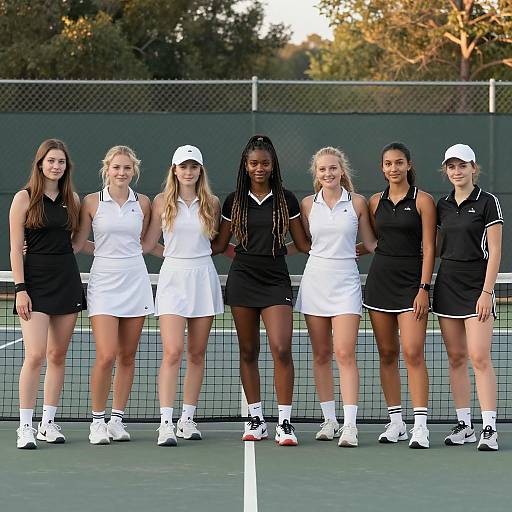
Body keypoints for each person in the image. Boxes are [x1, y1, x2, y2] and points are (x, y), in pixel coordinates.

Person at [212, 135, 310, 446]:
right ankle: (257, 419)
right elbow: (219, 244)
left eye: (264, 163)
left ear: (273, 166)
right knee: (248, 350)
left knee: (281, 348)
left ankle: (284, 422)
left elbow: (305, 243)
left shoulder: (287, 200)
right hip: (242, 278)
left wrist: (355, 247)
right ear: (245, 165)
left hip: (275, 277)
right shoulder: (233, 201)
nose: (259, 168)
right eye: (254, 163)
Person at [294, 147, 376, 447]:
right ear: (316, 174)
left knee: (344, 352)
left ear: (342, 170)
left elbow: (369, 242)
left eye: (333, 168)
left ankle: (350, 425)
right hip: (315, 281)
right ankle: (329, 420)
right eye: (322, 169)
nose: (328, 173)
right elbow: (304, 243)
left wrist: (410, 250)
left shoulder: (357, 203)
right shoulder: (307, 204)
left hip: (346, 283)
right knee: (321, 355)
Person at [142, 145, 223, 447]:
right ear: (174, 170)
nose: (188, 172)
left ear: (200, 170)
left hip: (204, 278)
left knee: (197, 353)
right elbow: (148, 243)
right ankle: (166, 423)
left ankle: (187, 419)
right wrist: (174, 258)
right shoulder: (161, 202)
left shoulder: (211, 203)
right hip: (173, 279)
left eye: (193, 166)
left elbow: (216, 243)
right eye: (183, 166)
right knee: (173, 351)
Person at [73, 145, 153, 445]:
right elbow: (79, 243)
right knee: (106, 355)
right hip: (104, 282)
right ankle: (97, 422)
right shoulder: (91, 202)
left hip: (136, 280)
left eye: (127, 168)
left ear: (134, 171)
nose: (121, 173)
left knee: (128, 356)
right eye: (116, 167)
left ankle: (117, 420)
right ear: (107, 168)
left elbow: (144, 244)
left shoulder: (142, 202)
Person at [9, 139, 85, 449]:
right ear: (40, 163)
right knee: (36, 355)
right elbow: (15, 248)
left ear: (67, 167)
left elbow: (77, 244)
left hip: (66, 281)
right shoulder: (23, 198)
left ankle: (48, 423)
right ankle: (25, 426)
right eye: (51, 160)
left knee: (57, 355)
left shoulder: (73, 199)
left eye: (61, 162)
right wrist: (20, 289)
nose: (56, 166)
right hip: (34, 286)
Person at [363, 142, 436, 448]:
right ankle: (396, 423)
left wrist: (423, 288)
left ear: (409, 165)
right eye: (388, 164)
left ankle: (420, 426)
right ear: (382, 168)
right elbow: (372, 242)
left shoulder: (424, 201)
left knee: (413, 352)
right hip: (380, 284)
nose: (393, 168)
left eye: (399, 162)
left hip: (411, 287)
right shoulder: (374, 201)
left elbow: (431, 247)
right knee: (387, 354)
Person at [433, 144, 502, 451]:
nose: (457, 171)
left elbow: (496, 251)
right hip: (447, 286)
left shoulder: (488, 202)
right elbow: (434, 247)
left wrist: (487, 292)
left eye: (462, 165)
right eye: (451, 166)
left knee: (479, 356)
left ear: (474, 168)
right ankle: (465, 425)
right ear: (446, 171)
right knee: (456, 358)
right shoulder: (442, 205)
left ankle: (489, 428)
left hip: (477, 288)